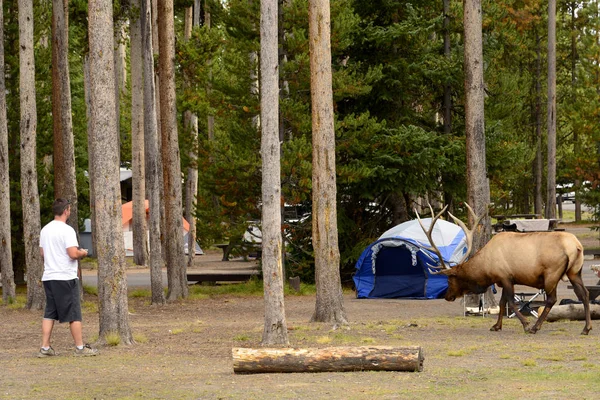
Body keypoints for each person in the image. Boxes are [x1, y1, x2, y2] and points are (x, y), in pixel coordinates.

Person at [38, 198, 98, 357]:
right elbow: (72, 254)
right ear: (66, 211)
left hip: (49, 276)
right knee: (74, 313)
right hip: (65, 276)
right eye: (69, 209)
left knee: (50, 312)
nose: (70, 212)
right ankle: (80, 348)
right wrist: (83, 253)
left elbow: (42, 253)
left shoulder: (45, 230)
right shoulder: (67, 230)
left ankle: (44, 348)